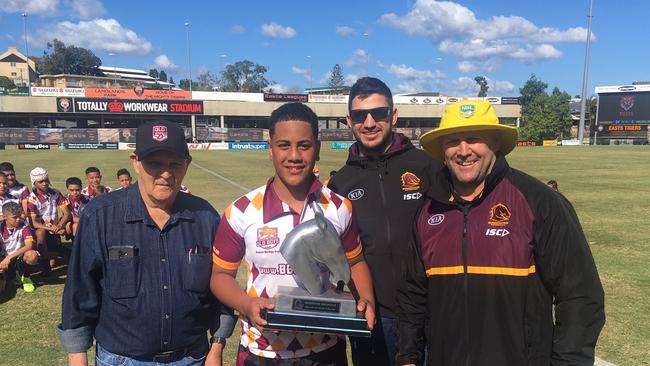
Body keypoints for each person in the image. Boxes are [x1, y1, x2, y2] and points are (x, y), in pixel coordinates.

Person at [396, 101, 605, 365]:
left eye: (474, 139)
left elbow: (580, 296)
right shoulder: (427, 210)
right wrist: (407, 358)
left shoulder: (539, 201)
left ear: (494, 142)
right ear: (442, 150)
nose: (463, 151)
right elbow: (411, 296)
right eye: (453, 141)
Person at [59, 120, 235, 366]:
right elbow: (80, 289)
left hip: (192, 357)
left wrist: (217, 346)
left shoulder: (205, 216)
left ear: (187, 164)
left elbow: (220, 286)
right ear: (136, 162)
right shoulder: (100, 215)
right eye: (155, 163)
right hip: (121, 359)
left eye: (175, 163)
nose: (166, 173)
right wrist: (77, 356)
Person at [210, 103, 376, 365]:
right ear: (270, 149)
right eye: (284, 145)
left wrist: (366, 298)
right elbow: (220, 276)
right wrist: (245, 304)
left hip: (325, 350)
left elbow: (355, 263)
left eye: (304, 145)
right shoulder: (241, 211)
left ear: (317, 148)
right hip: (261, 351)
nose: (294, 155)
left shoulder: (339, 207)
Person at [327, 77, 441, 366]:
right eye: (358, 115)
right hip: (373, 317)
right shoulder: (339, 184)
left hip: (430, 313)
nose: (369, 123)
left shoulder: (428, 167)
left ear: (393, 115)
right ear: (348, 120)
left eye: (378, 113)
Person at [26, 167, 71, 275]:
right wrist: (52, 228)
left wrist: (59, 225)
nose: (45, 183)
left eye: (46, 180)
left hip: (54, 228)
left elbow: (67, 213)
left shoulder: (56, 193)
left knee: (54, 262)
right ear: (34, 183)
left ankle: (63, 252)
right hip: (40, 229)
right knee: (41, 234)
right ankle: (46, 266)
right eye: (41, 181)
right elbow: (34, 223)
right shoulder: (31, 198)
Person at [0, 201, 39, 292]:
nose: (18, 219)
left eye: (19, 216)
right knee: (1, 290)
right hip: (3, 260)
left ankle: (26, 277)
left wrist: (9, 257)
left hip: (18, 258)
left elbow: (29, 246)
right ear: (5, 217)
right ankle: (11, 275)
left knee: (32, 255)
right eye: (15, 217)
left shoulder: (24, 225)